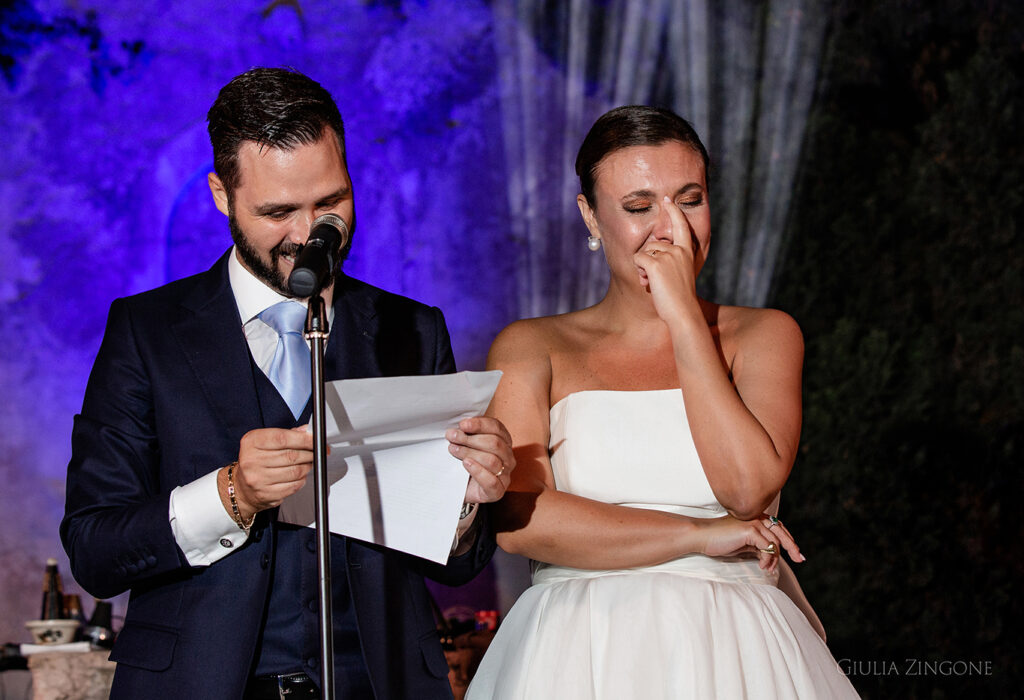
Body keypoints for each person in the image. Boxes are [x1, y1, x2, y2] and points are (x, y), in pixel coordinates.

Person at [60, 67, 514, 700]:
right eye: (278, 212)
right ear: (222, 194)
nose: (309, 237)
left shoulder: (413, 329)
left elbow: (458, 562)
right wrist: (231, 494)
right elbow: (95, 550)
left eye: (331, 203)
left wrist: (469, 502)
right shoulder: (146, 331)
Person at [466, 106, 858, 698]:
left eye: (691, 199)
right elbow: (523, 523)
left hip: (737, 645)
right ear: (590, 216)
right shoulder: (532, 345)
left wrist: (682, 319)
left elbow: (748, 488)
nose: (671, 229)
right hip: (578, 647)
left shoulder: (765, 334)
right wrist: (701, 535)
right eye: (639, 207)